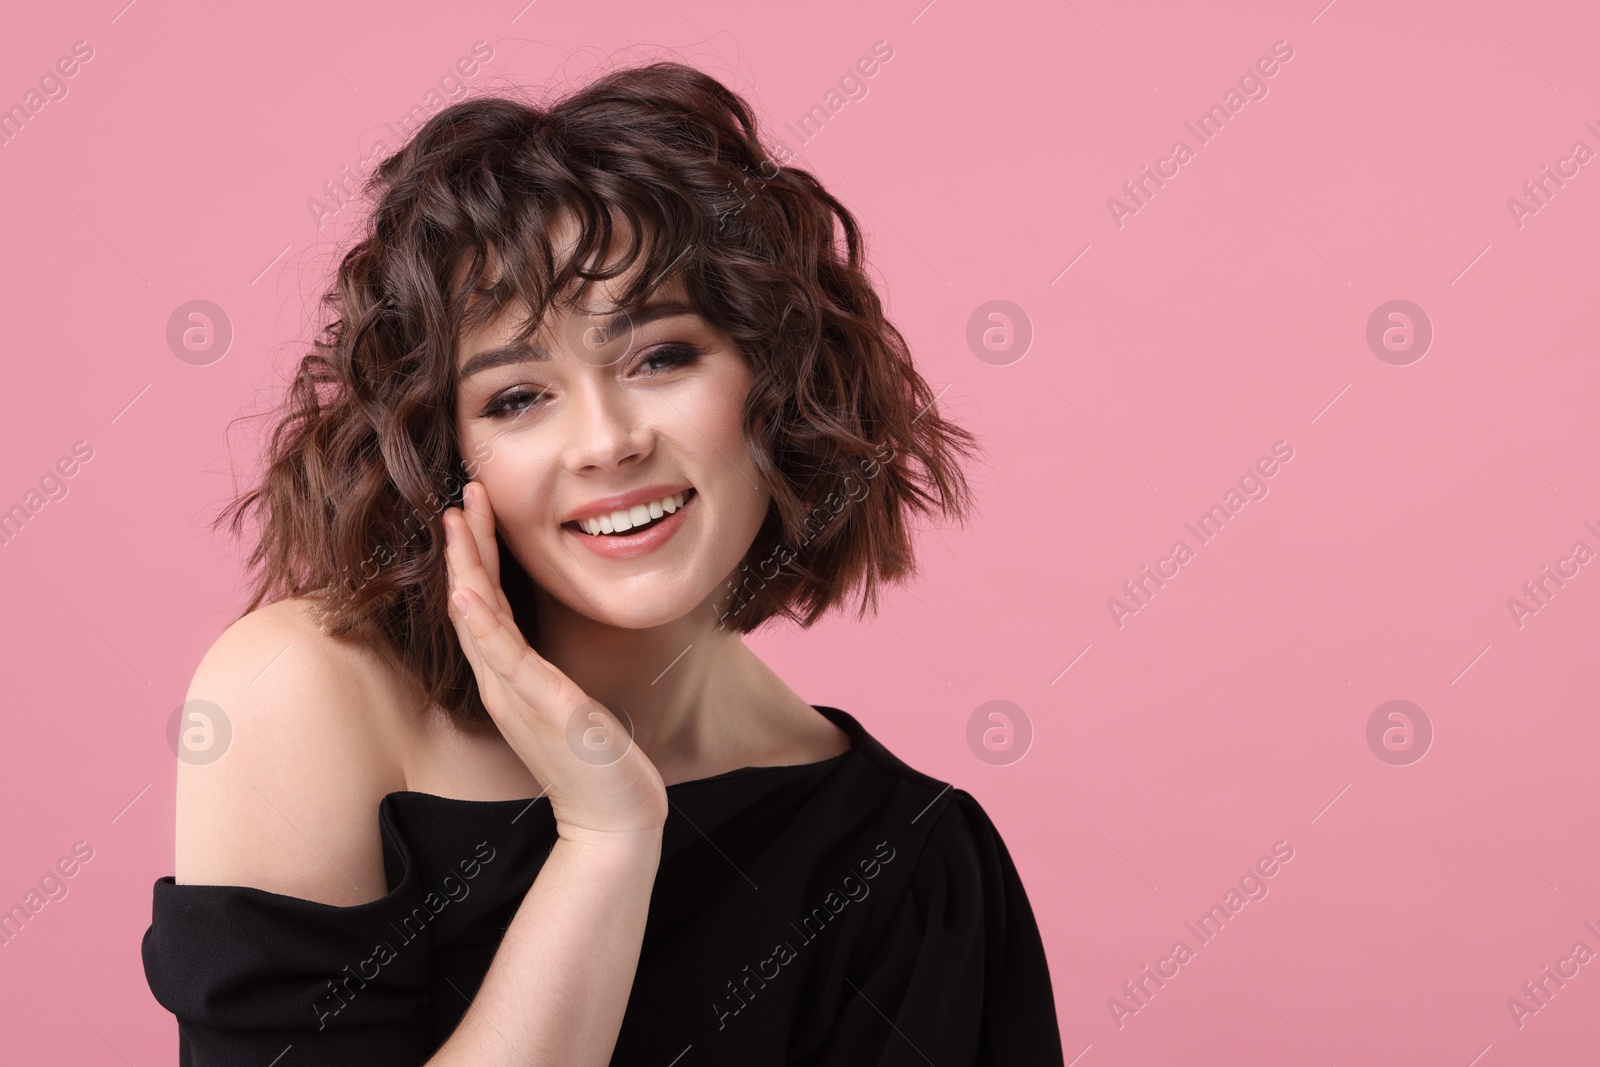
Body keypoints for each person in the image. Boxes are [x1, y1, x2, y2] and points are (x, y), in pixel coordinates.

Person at [141, 60, 1065, 1066]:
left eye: (661, 356)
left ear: (780, 375)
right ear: (442, 454)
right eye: (515, 397)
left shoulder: (911, 866)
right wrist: (606, 840)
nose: (606, 440)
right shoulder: (300, 698)